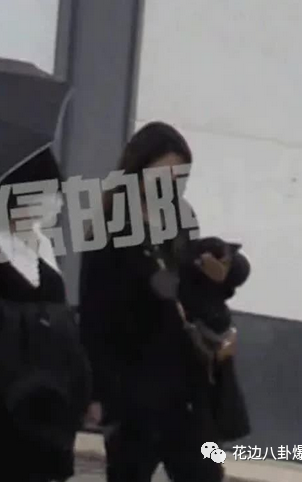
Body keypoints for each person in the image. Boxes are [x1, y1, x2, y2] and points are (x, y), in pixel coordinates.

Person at [79, 121, 248, 482]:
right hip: (133, 383)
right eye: (162, 174)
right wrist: (97, 393)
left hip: (186, 380)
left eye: (178, 177)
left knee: (205, 473)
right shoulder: (110, 228)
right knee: (130, 471)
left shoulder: (180, 219)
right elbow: (94, 316)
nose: (169, 185)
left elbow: (192, 287)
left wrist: (217, 279)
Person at [0, 148, 91, 482]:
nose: (55, 203)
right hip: (0, 396)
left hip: (49, 395)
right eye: (46, 193)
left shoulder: (43, 244)